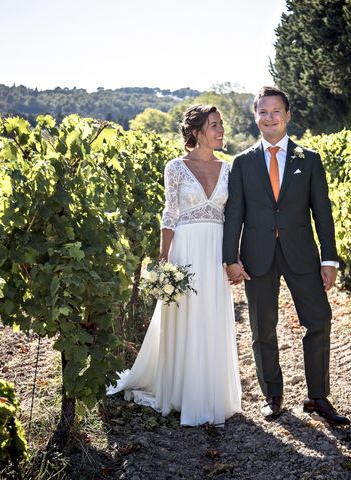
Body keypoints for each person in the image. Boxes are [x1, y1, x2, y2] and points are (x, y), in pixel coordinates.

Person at [108, 104, 242, 427]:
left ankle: (212, 394)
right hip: (186, 249)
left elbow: (234, 217)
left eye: (221, 124)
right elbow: (169, 214)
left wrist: (233, 256)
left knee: (211, 316)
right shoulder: (175, 168)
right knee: (185, 318)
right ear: (196, 133)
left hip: (215, 251)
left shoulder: (229, 169)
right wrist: (162, 261)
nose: (221, 130)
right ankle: (183, 393)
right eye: (214, 125)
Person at [222, 86, 349, 426]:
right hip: (257, 256)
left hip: (302, 254)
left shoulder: (308, 160)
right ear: (255, 117)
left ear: (288, 115)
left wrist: (329, 259)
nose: (269, 117)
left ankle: (318, 396)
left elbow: (323, 212)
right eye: (262, 112)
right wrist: (230, 257)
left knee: (319, 320)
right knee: (263, 328)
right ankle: (272, 395)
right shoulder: (243, 162)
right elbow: (235, 213)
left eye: (275, 111)